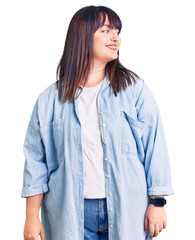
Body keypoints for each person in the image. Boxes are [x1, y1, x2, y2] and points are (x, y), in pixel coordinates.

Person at [21, 5, 174, 240]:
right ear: (82, 35)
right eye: (106, 30)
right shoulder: (49, 100)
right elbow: (36, 161)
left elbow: (155, 146)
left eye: (117, 32)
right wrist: (31, 217)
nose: (116, 38)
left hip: (128, 210)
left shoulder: (134, 90)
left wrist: (158, 202)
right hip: (69, 214)